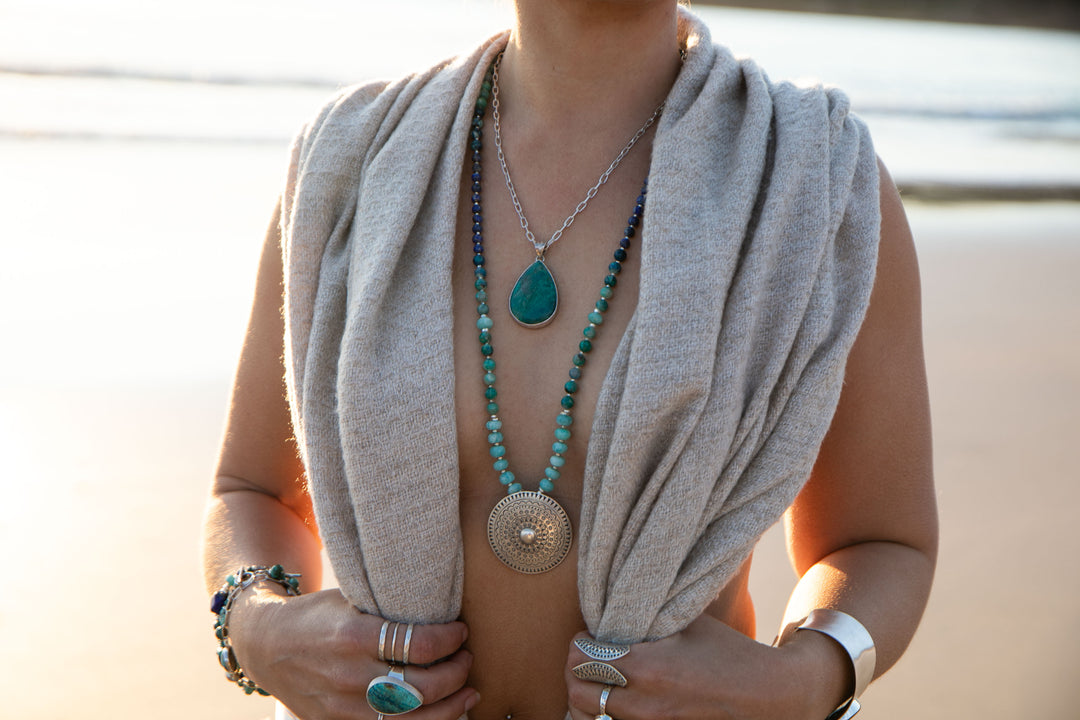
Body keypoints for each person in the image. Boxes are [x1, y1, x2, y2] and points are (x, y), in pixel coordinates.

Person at [201, 2, 937, 719]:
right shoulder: (351, 160)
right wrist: (257, 628)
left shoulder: (815, 182)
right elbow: (251, 488)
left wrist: (810, 678)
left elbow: (880, 541)